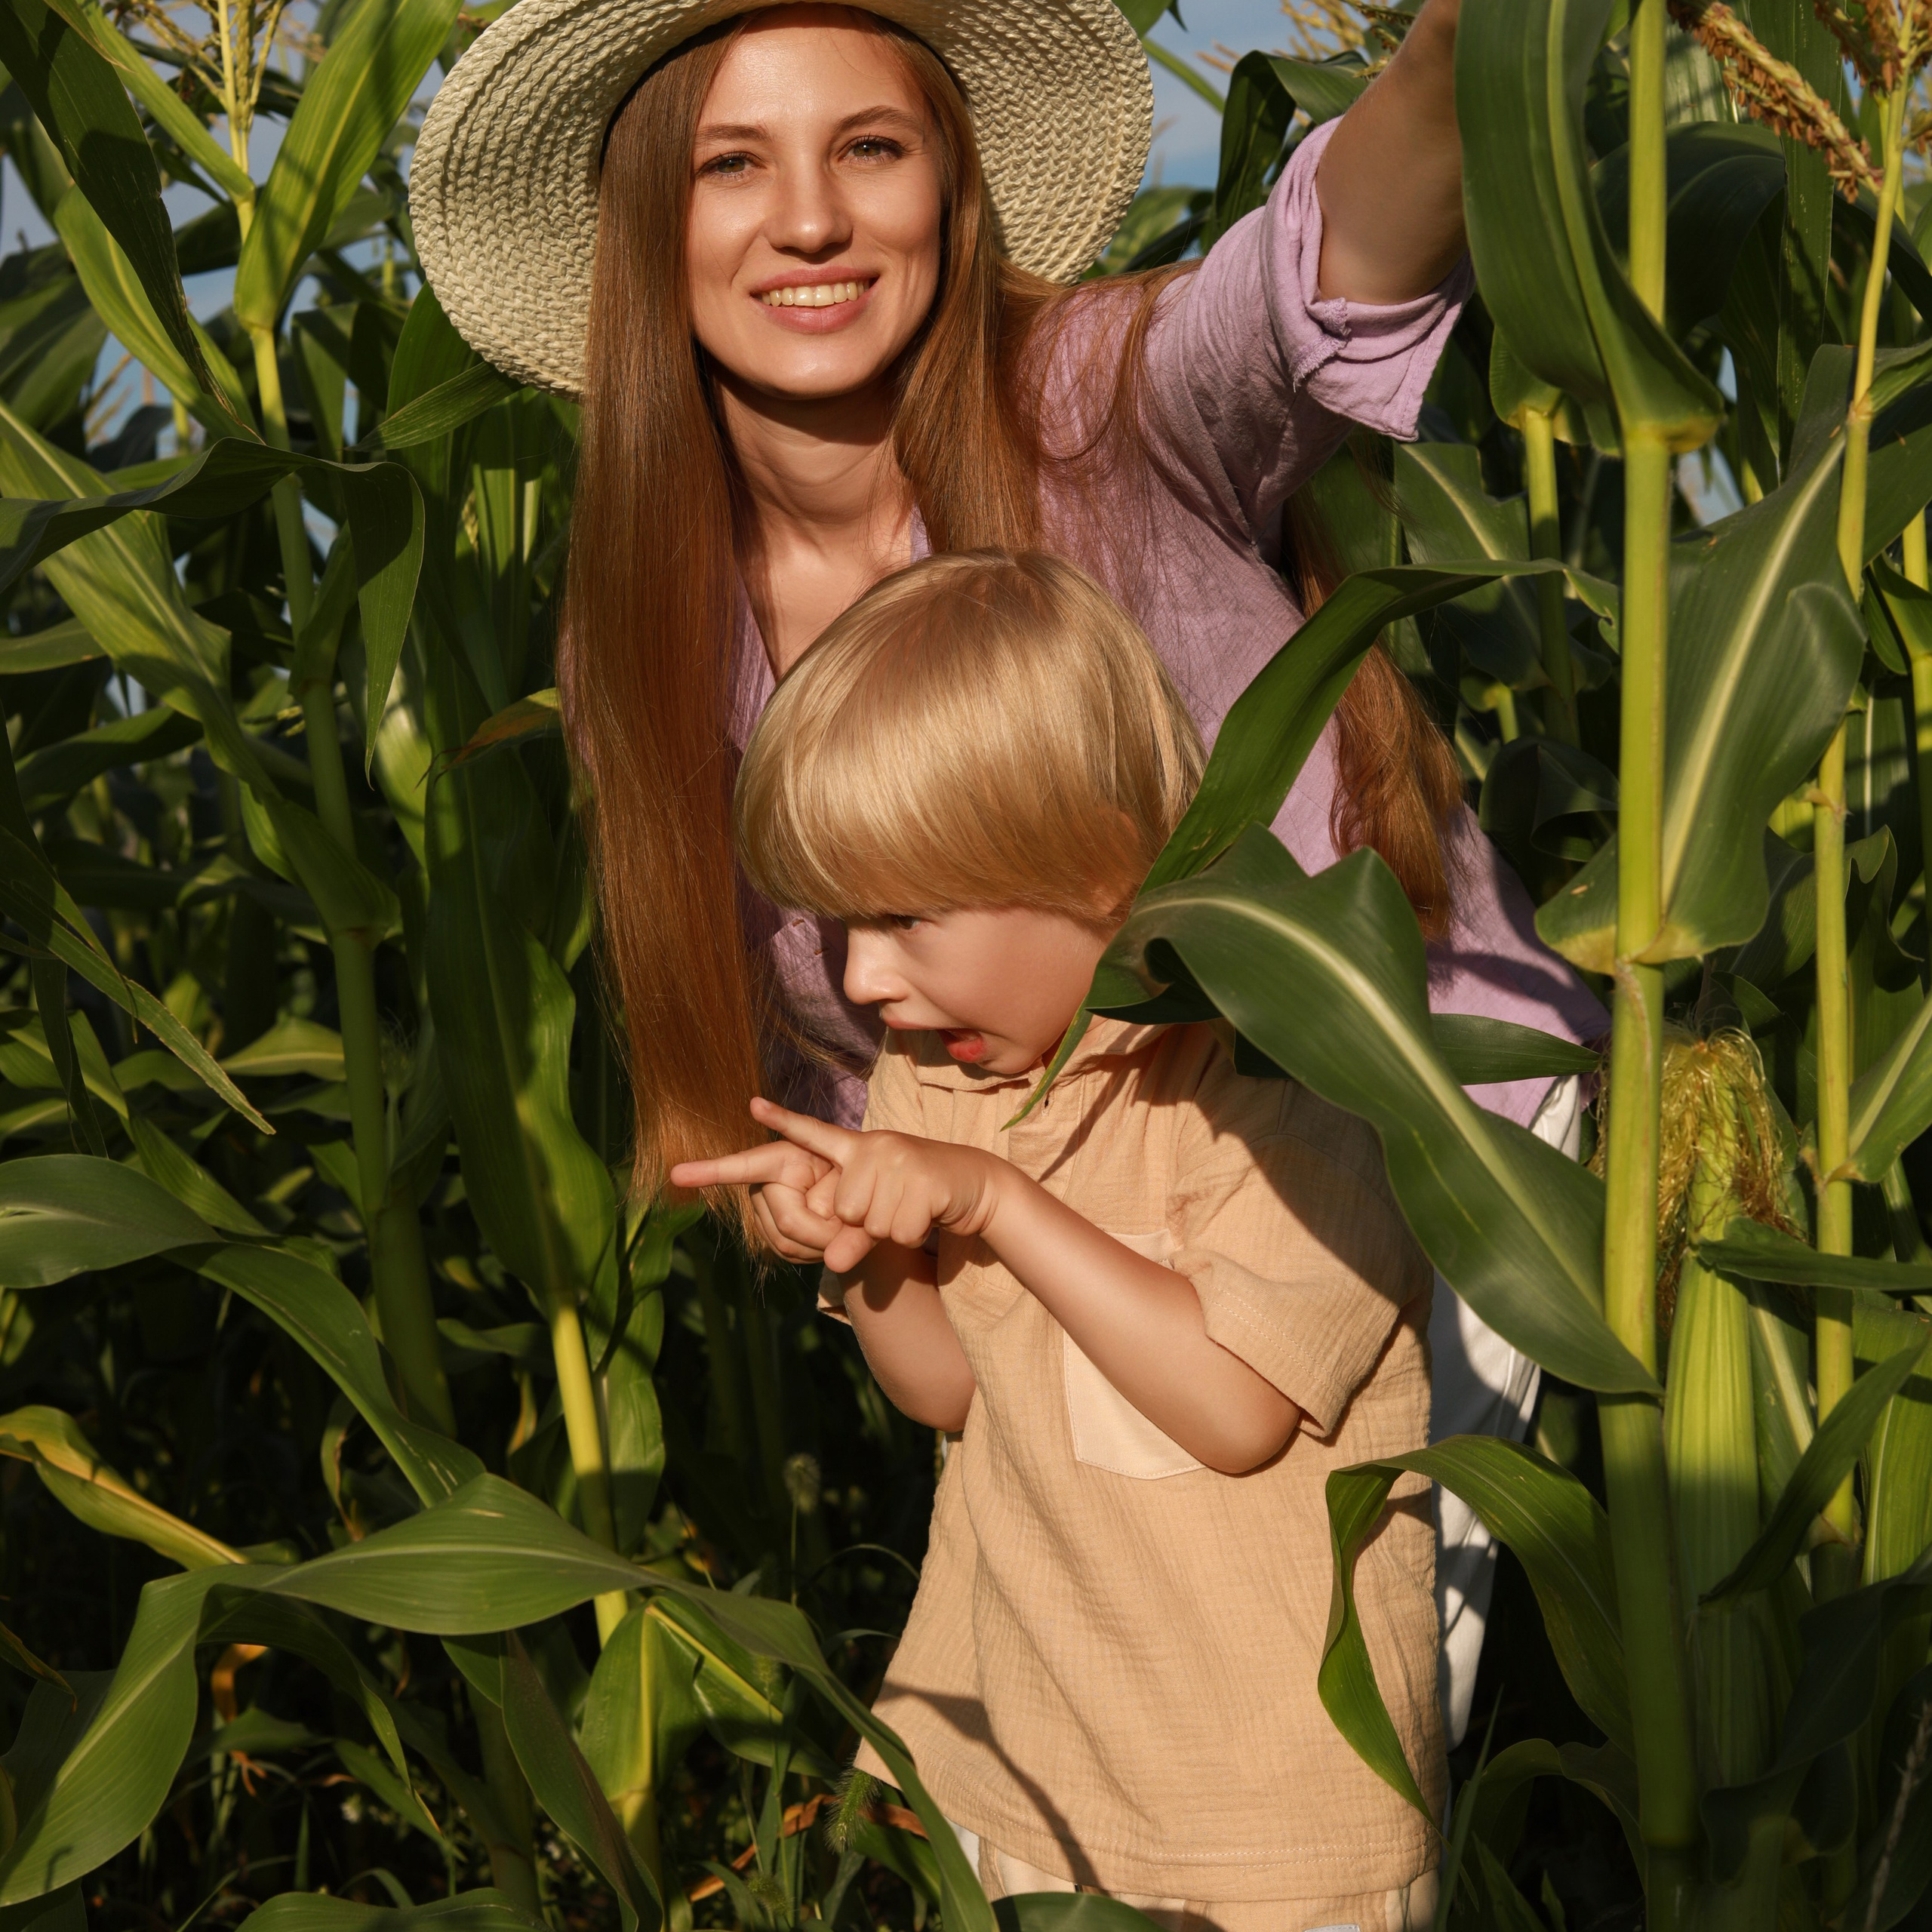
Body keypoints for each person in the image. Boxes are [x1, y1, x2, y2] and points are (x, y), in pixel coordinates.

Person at [410, 0, 1601, 1750]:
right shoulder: (644, 643)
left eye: (868, 150)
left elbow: (1344, 235)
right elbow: (831, 1071)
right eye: (730, 164)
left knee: (1381, 1790)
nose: (808, 220)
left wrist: (1468, 44)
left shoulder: (1103, 398)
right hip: (1067, 1267)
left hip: (1424, 1165)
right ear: (642, 226)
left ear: (952, 192)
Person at [674, 549, 1443, 1930]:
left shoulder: (1296, 1083)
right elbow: (951, 1395)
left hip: (1265, 1823)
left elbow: (1236, 1408)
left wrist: (994, 1202)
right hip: (1029, 1775)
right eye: (845, 922)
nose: (863, 979)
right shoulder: (948, 1081)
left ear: (1096, 862)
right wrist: (867, 1252)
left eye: (907, 917)